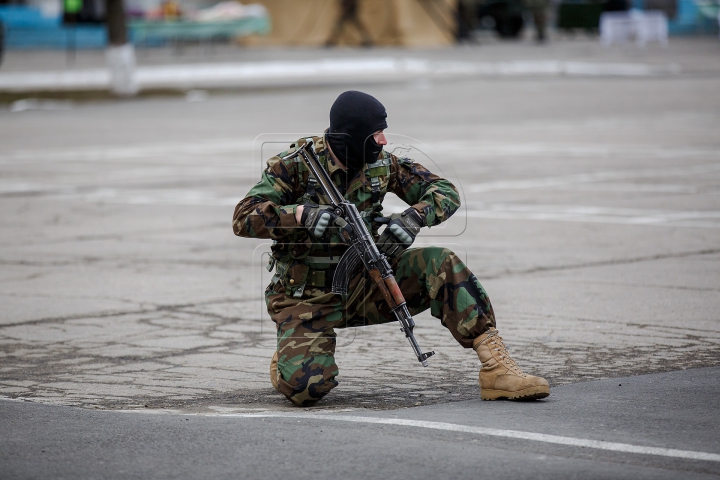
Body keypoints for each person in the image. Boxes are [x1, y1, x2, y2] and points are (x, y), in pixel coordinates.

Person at [233, 91, 550, 407]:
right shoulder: (295, 166)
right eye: (376, 133)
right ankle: (289, 354)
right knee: (306, 390)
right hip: (304, 297)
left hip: (365, 285)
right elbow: (243, 217)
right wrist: (300, 215)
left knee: (441, 262)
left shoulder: (383, 165)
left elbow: (445, 191)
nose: (384, 140)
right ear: (353, 136)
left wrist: (415, 217)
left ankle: (496, 367)